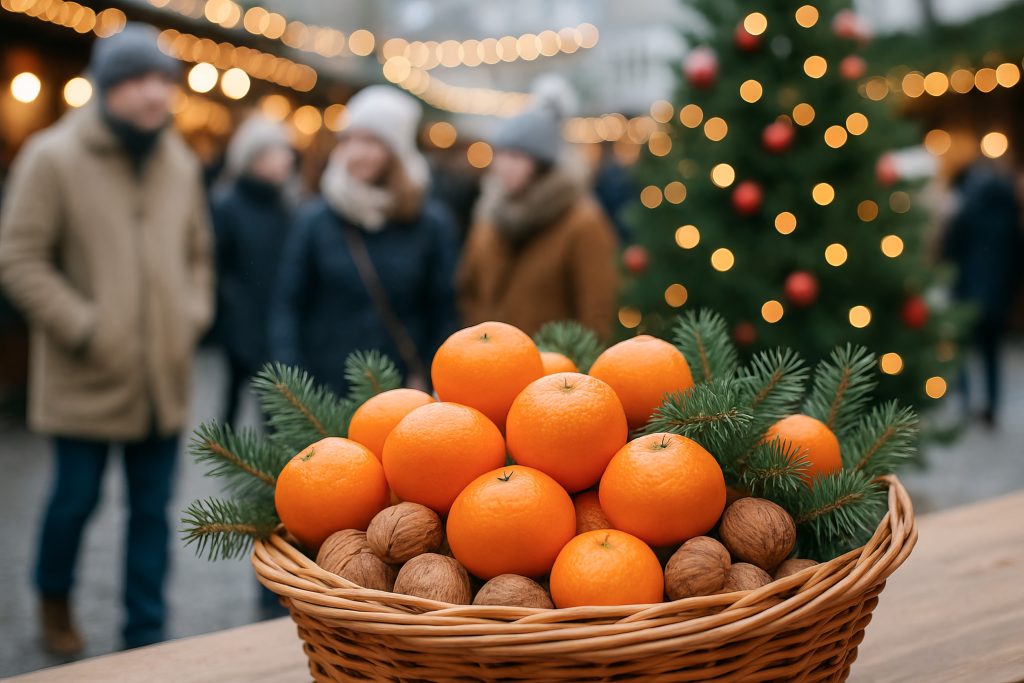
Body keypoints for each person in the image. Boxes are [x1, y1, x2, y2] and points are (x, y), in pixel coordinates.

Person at [0, 24, 213, 654]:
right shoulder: (53, 156)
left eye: (162, 82)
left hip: (162, 379)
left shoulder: (178, 159)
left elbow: (199, 253)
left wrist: (189, 315)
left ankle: (145, 630)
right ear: (108, 88)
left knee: (152, 514)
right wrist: (83, 327)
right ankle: (53, 601)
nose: (155, 95)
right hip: (85, 376)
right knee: (73, 505)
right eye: (138, 81)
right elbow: (19, 259)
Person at [269, 85, 458, 394]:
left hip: (399, 394)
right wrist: (292, 387)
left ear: (396, 151)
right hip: (323, 390)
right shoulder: (315, 219)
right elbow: (288, 305)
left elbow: (443, 312)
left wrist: (427, 374)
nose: (357, 153)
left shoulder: (431, 224)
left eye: (371, 141)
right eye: (350, 140)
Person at [458, 99, 619, 338]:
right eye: (500, 154)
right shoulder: (489, 217)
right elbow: (469, 290)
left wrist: (576, 369)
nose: (504, 165)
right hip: (491, 365)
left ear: (542, 164)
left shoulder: (583, 222)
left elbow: (598, 309)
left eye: (516, 156)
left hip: (555, 368)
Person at [211, 116, 295, 427]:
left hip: (274, 322)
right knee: (232, 397)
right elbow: (217, 268)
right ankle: (228, 458)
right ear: (256, 157)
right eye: (279, 151)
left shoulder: (286, 204)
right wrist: (233, 318)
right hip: (241, 322)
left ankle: (271, 472)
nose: (288, 158)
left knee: (273, 410)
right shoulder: (228, 205)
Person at [942, 158, 1022, 427]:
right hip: (997, 296)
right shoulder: (1010, 219)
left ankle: (966, 402)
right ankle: (992, 405)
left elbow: (950, 249)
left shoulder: (968, 212)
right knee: (992, 352)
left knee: (962, 349)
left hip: (967, 292)